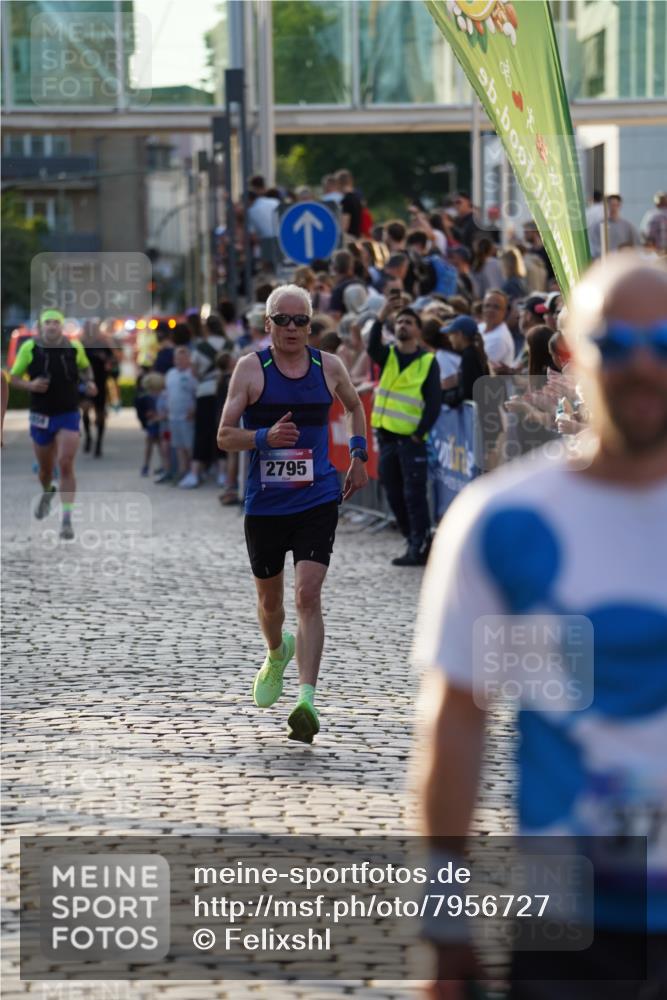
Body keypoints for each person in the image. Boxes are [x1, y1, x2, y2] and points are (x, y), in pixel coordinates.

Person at [415, 251, 667, 999]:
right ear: (569, 356)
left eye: (663, 343)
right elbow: (457, 722)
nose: (642, 365)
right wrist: (443, 910)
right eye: (616, 344)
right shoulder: (504, 521)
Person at [217, 283, 368, 744]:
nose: (291, 328)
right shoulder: (250, 369)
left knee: (307, 594)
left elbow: (355, 406)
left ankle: (307, 700)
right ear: (268, 325)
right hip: (265, 503)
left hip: (317, 498)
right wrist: (263, 439)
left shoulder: (330, 366)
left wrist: (358, 455)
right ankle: (275, 650)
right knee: (271, 604)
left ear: (310, 324)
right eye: (281, 320)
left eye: (300, 320)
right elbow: (225, 435)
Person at [9, 309, 97, 540]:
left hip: (68, 412)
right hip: (41, 415)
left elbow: (85, 368)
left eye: (56, 322)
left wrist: (89, 382)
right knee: (46, 470)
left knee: (65, 463)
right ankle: (48, 491)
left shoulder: (74, 347)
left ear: (61, 326)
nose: (52, 326)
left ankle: (66, 520)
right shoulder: (29, 348)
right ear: (41, 326)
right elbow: (13, 377)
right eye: (48, 322)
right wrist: (30, 386)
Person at [368, 298, 442, 567]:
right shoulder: (387, 355)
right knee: (393, 493)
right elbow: (371, 346)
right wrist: (380, 317)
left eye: (408, 322)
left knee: (414, 494)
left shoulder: (427, 362)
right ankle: (412, 538)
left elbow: (434, 403)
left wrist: (418, 433)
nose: (402, 325)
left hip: (411, 441)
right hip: (387, 437)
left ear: (418, 331)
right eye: (399, 321)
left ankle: (418, 544)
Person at [180, 315, 227, 488]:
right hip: (225, 391)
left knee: (202, 432)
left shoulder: (200, 348)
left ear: (206, 328)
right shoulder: (230, 345)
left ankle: (194, 473)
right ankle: (222, 473)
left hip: (205, 391)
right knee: (222, 430)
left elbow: (193, 371)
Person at [165, 346, 197, 482]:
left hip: (187, 417)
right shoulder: (170, 373)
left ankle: (193, 471)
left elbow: (197, 394)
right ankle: (183, 471)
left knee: (189, 446)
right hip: (173, 417)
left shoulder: (192, 374)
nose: (179, 361)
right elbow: (167, 394)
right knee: (178, 446)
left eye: (182, 358)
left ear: (188, 359)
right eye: (177, 358)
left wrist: (194, 410)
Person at [441, 315, 489, 403]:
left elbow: (467, 393)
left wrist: (443, 396)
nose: (449, 338)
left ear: (460, 334)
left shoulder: (469, 356)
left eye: (451, 334)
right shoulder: (473, 352)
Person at [478, 289, 515, 368]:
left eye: (496, 307)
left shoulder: (500, 339)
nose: (490, 310)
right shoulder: (481, 327)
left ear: (504, 312)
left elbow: (477, 365)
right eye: (487, 305)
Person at [336, 169, 362, 238]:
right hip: (358, 236)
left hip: (349, 238)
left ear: (339, 183)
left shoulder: (345, 200)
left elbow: (344, 225)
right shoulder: (357, 197)